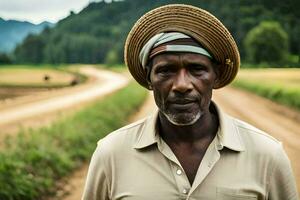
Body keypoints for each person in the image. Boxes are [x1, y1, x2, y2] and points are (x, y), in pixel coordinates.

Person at [82, 4, 298, 200]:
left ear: (216, 76)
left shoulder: (267, 155)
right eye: (166, 71)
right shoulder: (111, 154)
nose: (182, 85)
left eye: (197, 69)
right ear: (149, 79)